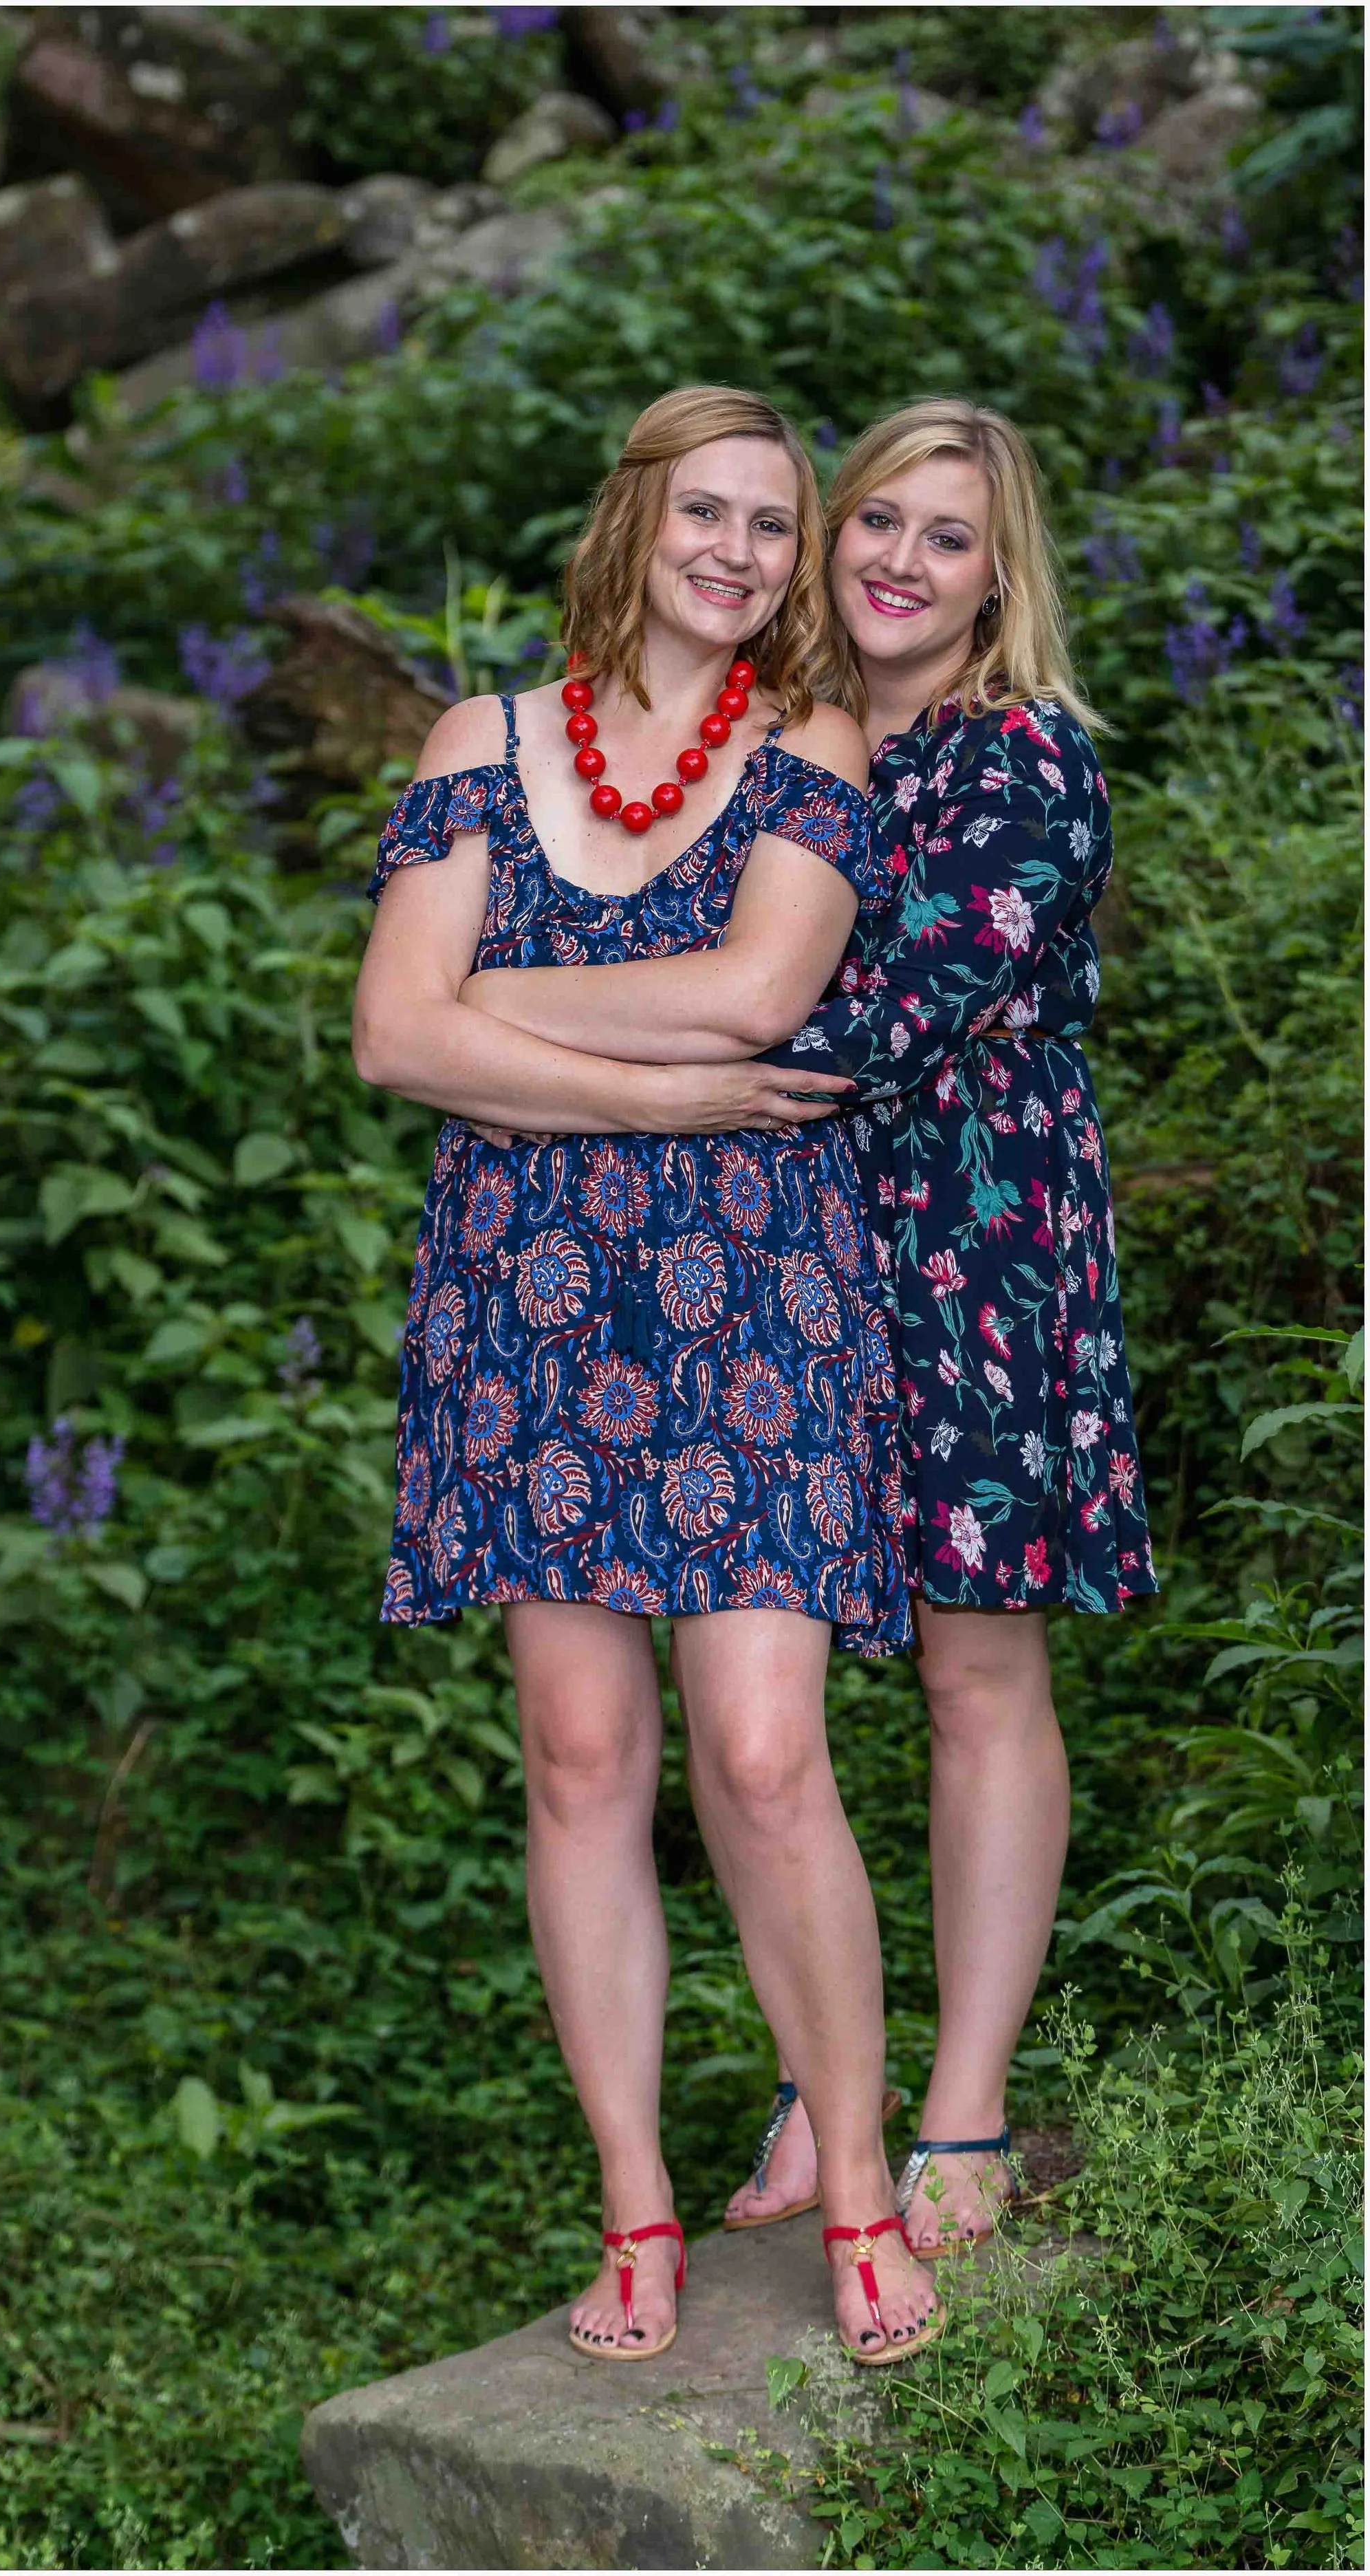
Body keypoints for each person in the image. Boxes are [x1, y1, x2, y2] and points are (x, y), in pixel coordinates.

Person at [451, 395, 1157, 2259]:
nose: (899, 563)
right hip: (764, 1241)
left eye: (947, 536)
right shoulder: (776, 737)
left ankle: (961, 2117)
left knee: (967, 1671)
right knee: (772, 1730)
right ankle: (812, 2084)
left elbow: (819, 1027)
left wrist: (497, 1012)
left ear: (999, 572)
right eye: (873, 526)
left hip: (968, 1246)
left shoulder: (1022, 765)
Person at [352, 385, 942, 2366]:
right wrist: (663, 1085)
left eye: (774, 527)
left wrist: (492, 1007)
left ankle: (858, 2190)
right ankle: (636, 2215)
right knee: (581, 1763)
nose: (743, 553)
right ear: (634, 517)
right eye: (710, 511)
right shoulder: (478, 744)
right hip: (527, 1302)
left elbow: (761, 994)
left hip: (756, 1296)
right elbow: (383, 1046)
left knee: (766, 1758)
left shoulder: (812, 745)